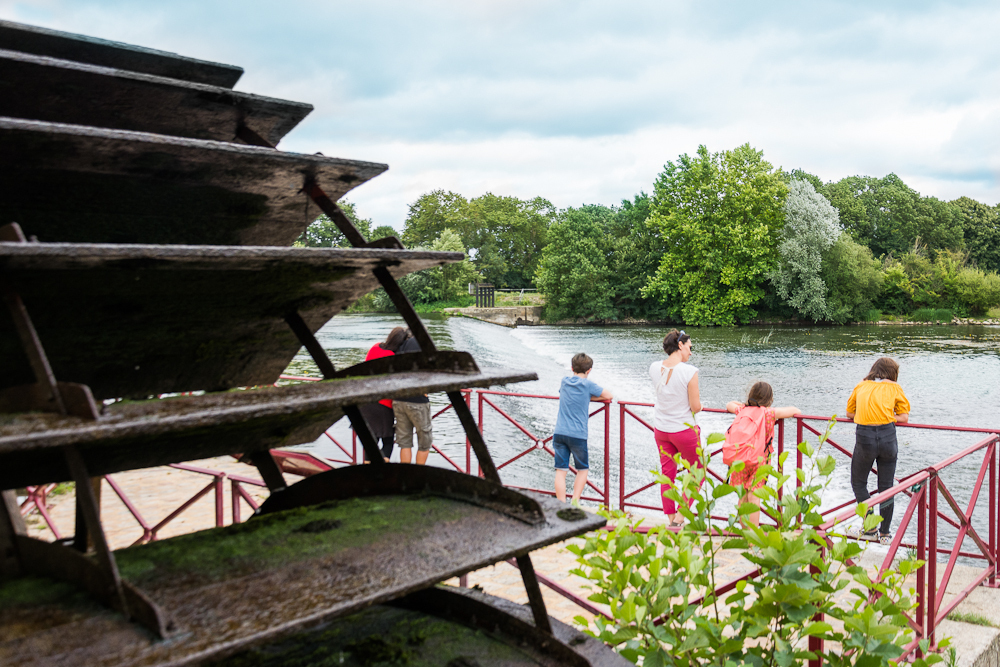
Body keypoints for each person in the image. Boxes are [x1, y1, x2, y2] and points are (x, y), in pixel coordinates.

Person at [846, 357, 910, 544]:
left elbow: (849, 413)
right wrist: (887, 415)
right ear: (892, 374)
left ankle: (870, 526)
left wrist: (866, 412)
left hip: (865, 438)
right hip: (888, 436)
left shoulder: (861, 386)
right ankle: (885, 533)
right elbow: (904, 417)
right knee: (886, 487)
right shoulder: (895, 388)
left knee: (858, 483)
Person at [725, 382, 801, 526]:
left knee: (742, 496)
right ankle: (753, 538)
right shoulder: (769, 413)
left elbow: (729, 404)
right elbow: (796, 410)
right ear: (769, 399)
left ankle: (744, 532)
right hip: (759, 461)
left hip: (740, 457)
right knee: (754, 497)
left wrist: (746, 405)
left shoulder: (742, 410)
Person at [648, 329, 702, 527]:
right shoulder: (689, 371)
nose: (691, 352)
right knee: (698, 472)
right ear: (680, 345)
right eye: (689, 347)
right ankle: (681, 515)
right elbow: (695, 407)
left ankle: (670, 518)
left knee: (667, 474)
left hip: (661, 430)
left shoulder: (654, 367)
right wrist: (701, 406)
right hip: (683, 430)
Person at [553, 353, 613, 504]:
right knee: (582, 469)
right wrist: (589, 397)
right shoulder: (588, 385)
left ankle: (561, 504)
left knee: (560, 471)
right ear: (589, 370)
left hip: (559, 432)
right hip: (578, 435)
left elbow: (563, 394)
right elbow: (609, 395)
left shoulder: (564, 381)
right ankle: (575, 502)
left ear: (572, 368)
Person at [358, 327, 408, 462]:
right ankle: (381, 474)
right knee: (388, 442)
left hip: (365, 400)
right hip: (383, 404)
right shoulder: (395, 358)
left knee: (370, 443)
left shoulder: (375, 347)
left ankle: (367, 475)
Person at [393, 330, 433, 465]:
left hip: (398, 399)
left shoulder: (400, 346)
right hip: (417, 400)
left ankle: (407, 476)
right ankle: (418, 477)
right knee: (425, 442)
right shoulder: (421, 345)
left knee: (405, 443)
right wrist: (425, 390)